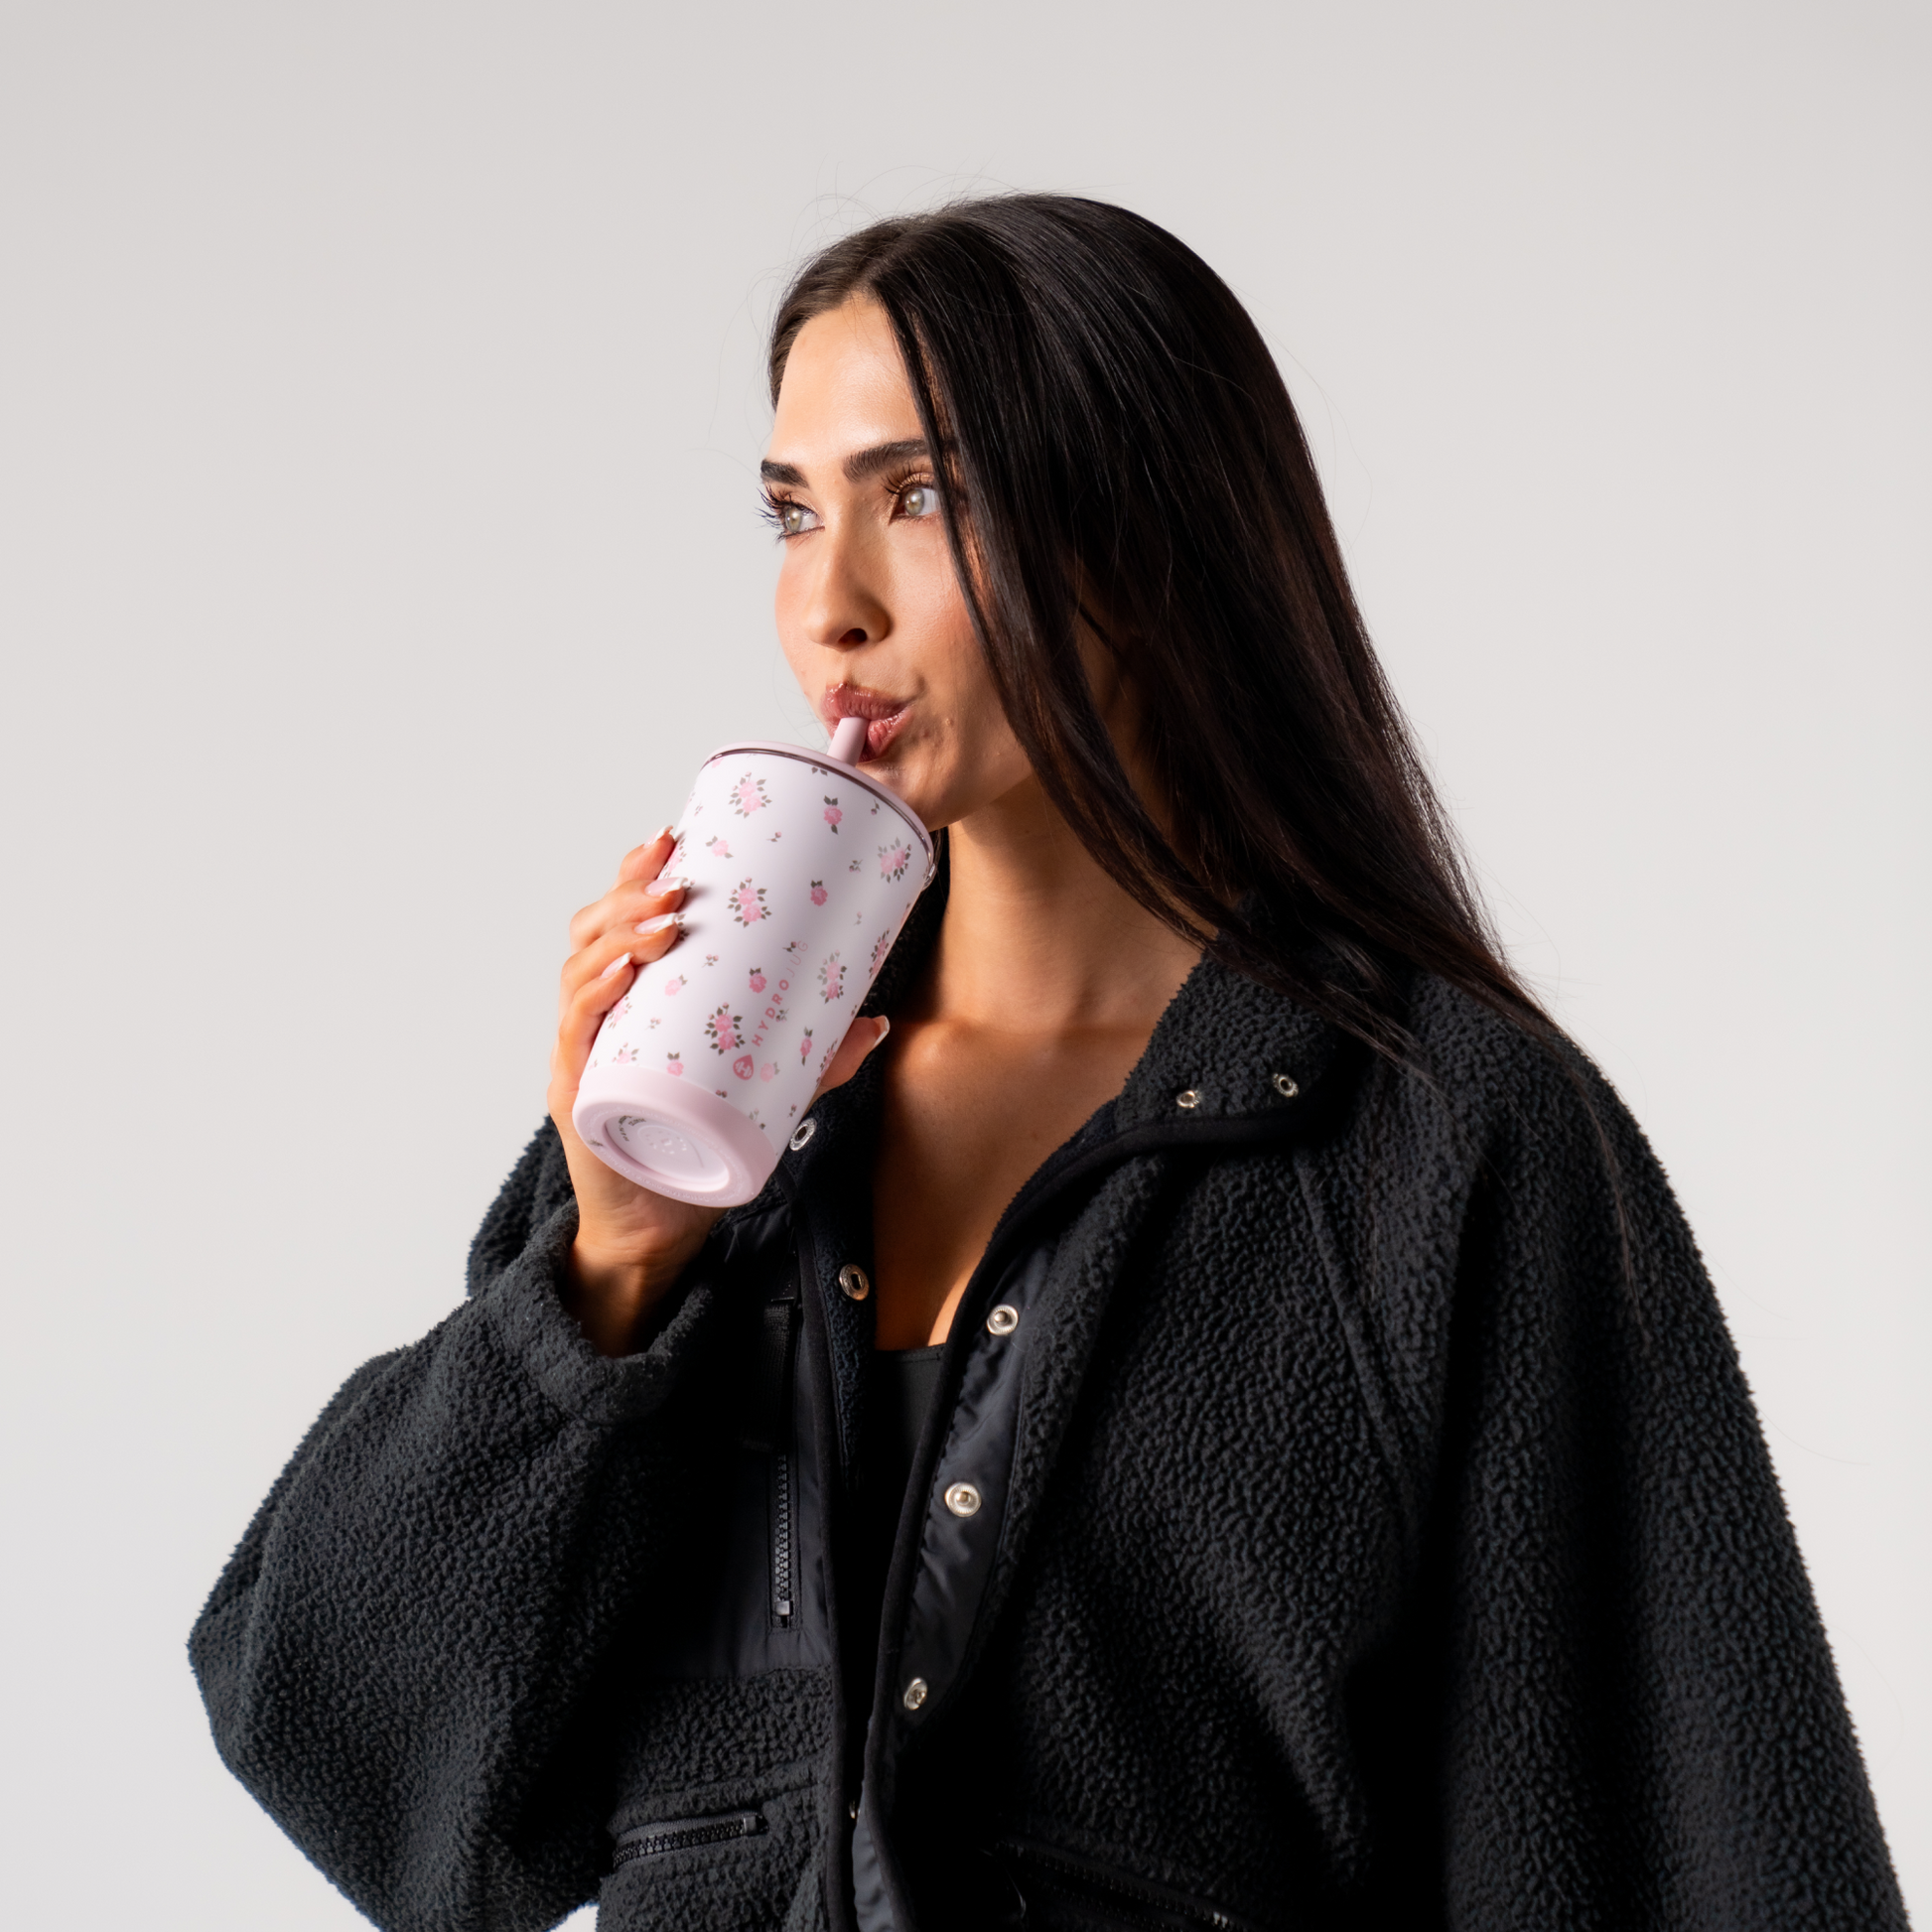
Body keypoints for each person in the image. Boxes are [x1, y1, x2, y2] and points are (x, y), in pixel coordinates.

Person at [190, 196, 1906, 1932]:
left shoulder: (1435, 1137)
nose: (829, 605)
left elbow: (1671, 1836)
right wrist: (609, 1271)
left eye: (920, 497)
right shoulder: (724, 1122)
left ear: (1145, 541)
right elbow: (360, 1757)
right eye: (792, 512)